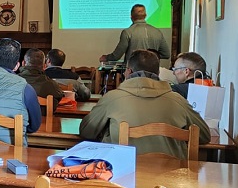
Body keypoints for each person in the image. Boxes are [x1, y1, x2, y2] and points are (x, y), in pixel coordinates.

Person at [79, 50, 210, 158]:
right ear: (158, 73)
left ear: (128, 72)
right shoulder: (178, 100)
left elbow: (87, 131)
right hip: (171, 179)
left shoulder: (112, 98)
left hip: (124, 175)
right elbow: (204, 135)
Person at [100, 4, 169, 64]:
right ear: (145, 15)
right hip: (152, 72)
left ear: (131, 16)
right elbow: (166, 54)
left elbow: (116, 56)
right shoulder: (157, 31)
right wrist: (151, 57)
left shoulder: (128, 32)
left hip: (133, 73)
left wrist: (106, 58)